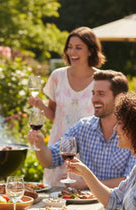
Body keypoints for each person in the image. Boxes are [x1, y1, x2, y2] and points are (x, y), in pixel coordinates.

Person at [27, 69, 136, 210]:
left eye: (101, 93)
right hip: (93, 208)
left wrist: (86, 181)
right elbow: (50, 160)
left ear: (119, 98)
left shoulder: (134, 146)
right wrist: (39, 144)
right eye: (93, 92)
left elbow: (125, 188)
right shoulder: (83, 127)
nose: (94, 98)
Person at [28, 26, 106, 187]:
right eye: (69, 47)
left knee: (86, 196)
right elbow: (54, 115)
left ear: (91, 51)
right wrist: (40, 105)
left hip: (87, 149)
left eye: (78, 48)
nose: (72, 52)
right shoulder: (57, 76)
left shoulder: (100, 79)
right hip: (59, 146)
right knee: (56, 197)